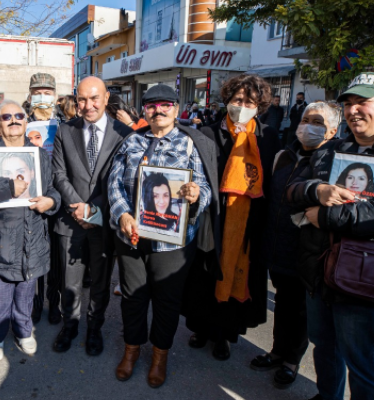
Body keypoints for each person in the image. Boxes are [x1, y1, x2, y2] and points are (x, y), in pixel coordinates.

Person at [108, 84, 219, 387]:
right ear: (144, 110)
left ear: (176, 107)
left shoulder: (190, 144)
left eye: (165, 104)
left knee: (167, 301)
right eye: (151, 105)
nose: (158, 110)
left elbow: (206, 188)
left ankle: (160, 356)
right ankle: (131, 351)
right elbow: (114, 184)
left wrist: (197, 194)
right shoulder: (131, 142)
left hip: (172, 241)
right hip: (132, 235)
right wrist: (123, 214)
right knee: (132, 297)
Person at [286, 72, 374, 400]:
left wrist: (323, 214)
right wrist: (318, 189)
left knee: (363, 365)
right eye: (348, 103)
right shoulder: (328, 151)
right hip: (318, 273)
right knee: (324, 348)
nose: (353, 110)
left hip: (362, 282)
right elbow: (292, 192)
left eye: (362, 102)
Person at [182, 74, 281, 361]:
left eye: (250, 101)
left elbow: (270, 182)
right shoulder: (209, 134)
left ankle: (224, 335)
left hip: (248, 222)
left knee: (238, 272)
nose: (242, 105)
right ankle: (201, 329)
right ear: (227, 100)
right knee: (204, 275)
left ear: (259, 105)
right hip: (212, 218)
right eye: (237, 100)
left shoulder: (267, 136)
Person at [251, 101, 339, 389]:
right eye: (305, 120)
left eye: (317, 122)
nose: (308, 126)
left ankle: (291, 361)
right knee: (284, 305)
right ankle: (277, 351)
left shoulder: (333, 163)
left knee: (300, 311)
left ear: (333, 130)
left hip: (309, 253)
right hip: (277, 246)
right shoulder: (284, 156)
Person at [52, 76, 133, 356]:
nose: (88, 105)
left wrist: (94, 211)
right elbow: (59, 173)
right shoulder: (65, 130)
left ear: (106, 98)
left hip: (104, 221)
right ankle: (70, 326)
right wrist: (78, 207)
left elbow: (121, 179)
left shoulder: (124, 134)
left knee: (100, 281)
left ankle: (94, 328)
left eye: (94, 98)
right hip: (71, 221)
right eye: (82, 99)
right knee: (69, 281)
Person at [0, 99, 61, 361]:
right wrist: (7, 189)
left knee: (26, 293)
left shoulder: (39, 156)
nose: (14, 120)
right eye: (6, 117)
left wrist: (52, 202)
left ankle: (25, 331)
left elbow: (51, 190)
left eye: (19, 116)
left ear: (26, 121)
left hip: (32, 237)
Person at [26, 72, 64, 324]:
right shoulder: (20, 122)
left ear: (55, 96)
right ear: (30, 96)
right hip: (30, 200)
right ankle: (36, 302)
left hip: (59, 198)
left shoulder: (65, 125)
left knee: (57, 256)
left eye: (47, 92)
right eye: (38, 92)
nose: (43, 97)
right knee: (34, 253)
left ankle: (55, 302)